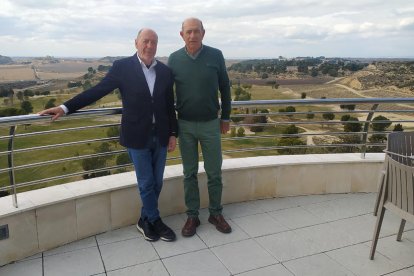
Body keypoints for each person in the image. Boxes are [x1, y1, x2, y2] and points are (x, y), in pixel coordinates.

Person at [39, 28, 178, 242]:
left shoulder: (165, 72)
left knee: (157, 182)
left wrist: (172, 133)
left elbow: (169, 106)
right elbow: (97, 91)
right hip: (136, 136)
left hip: (160, 136)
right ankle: (156, 220)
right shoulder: (122, 67)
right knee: (146, 182)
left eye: (154, 42)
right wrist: (65, 107)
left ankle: (144, 221)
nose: (150, 46)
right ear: (136, 43)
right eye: (146, 41)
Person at [168, 18, 232, 237]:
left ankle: (215, 213)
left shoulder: (216, 55)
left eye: (196, 31)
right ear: (181, 34)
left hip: (210, 125)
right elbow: (167, 95)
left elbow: (225, 87)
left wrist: (226, 117)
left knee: (214, 172)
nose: (192, 35)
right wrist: (171, 128)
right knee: (189, 174)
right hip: (184, 125)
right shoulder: (174, 59)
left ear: (203, 33)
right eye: (188, 32)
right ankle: (192, 216)